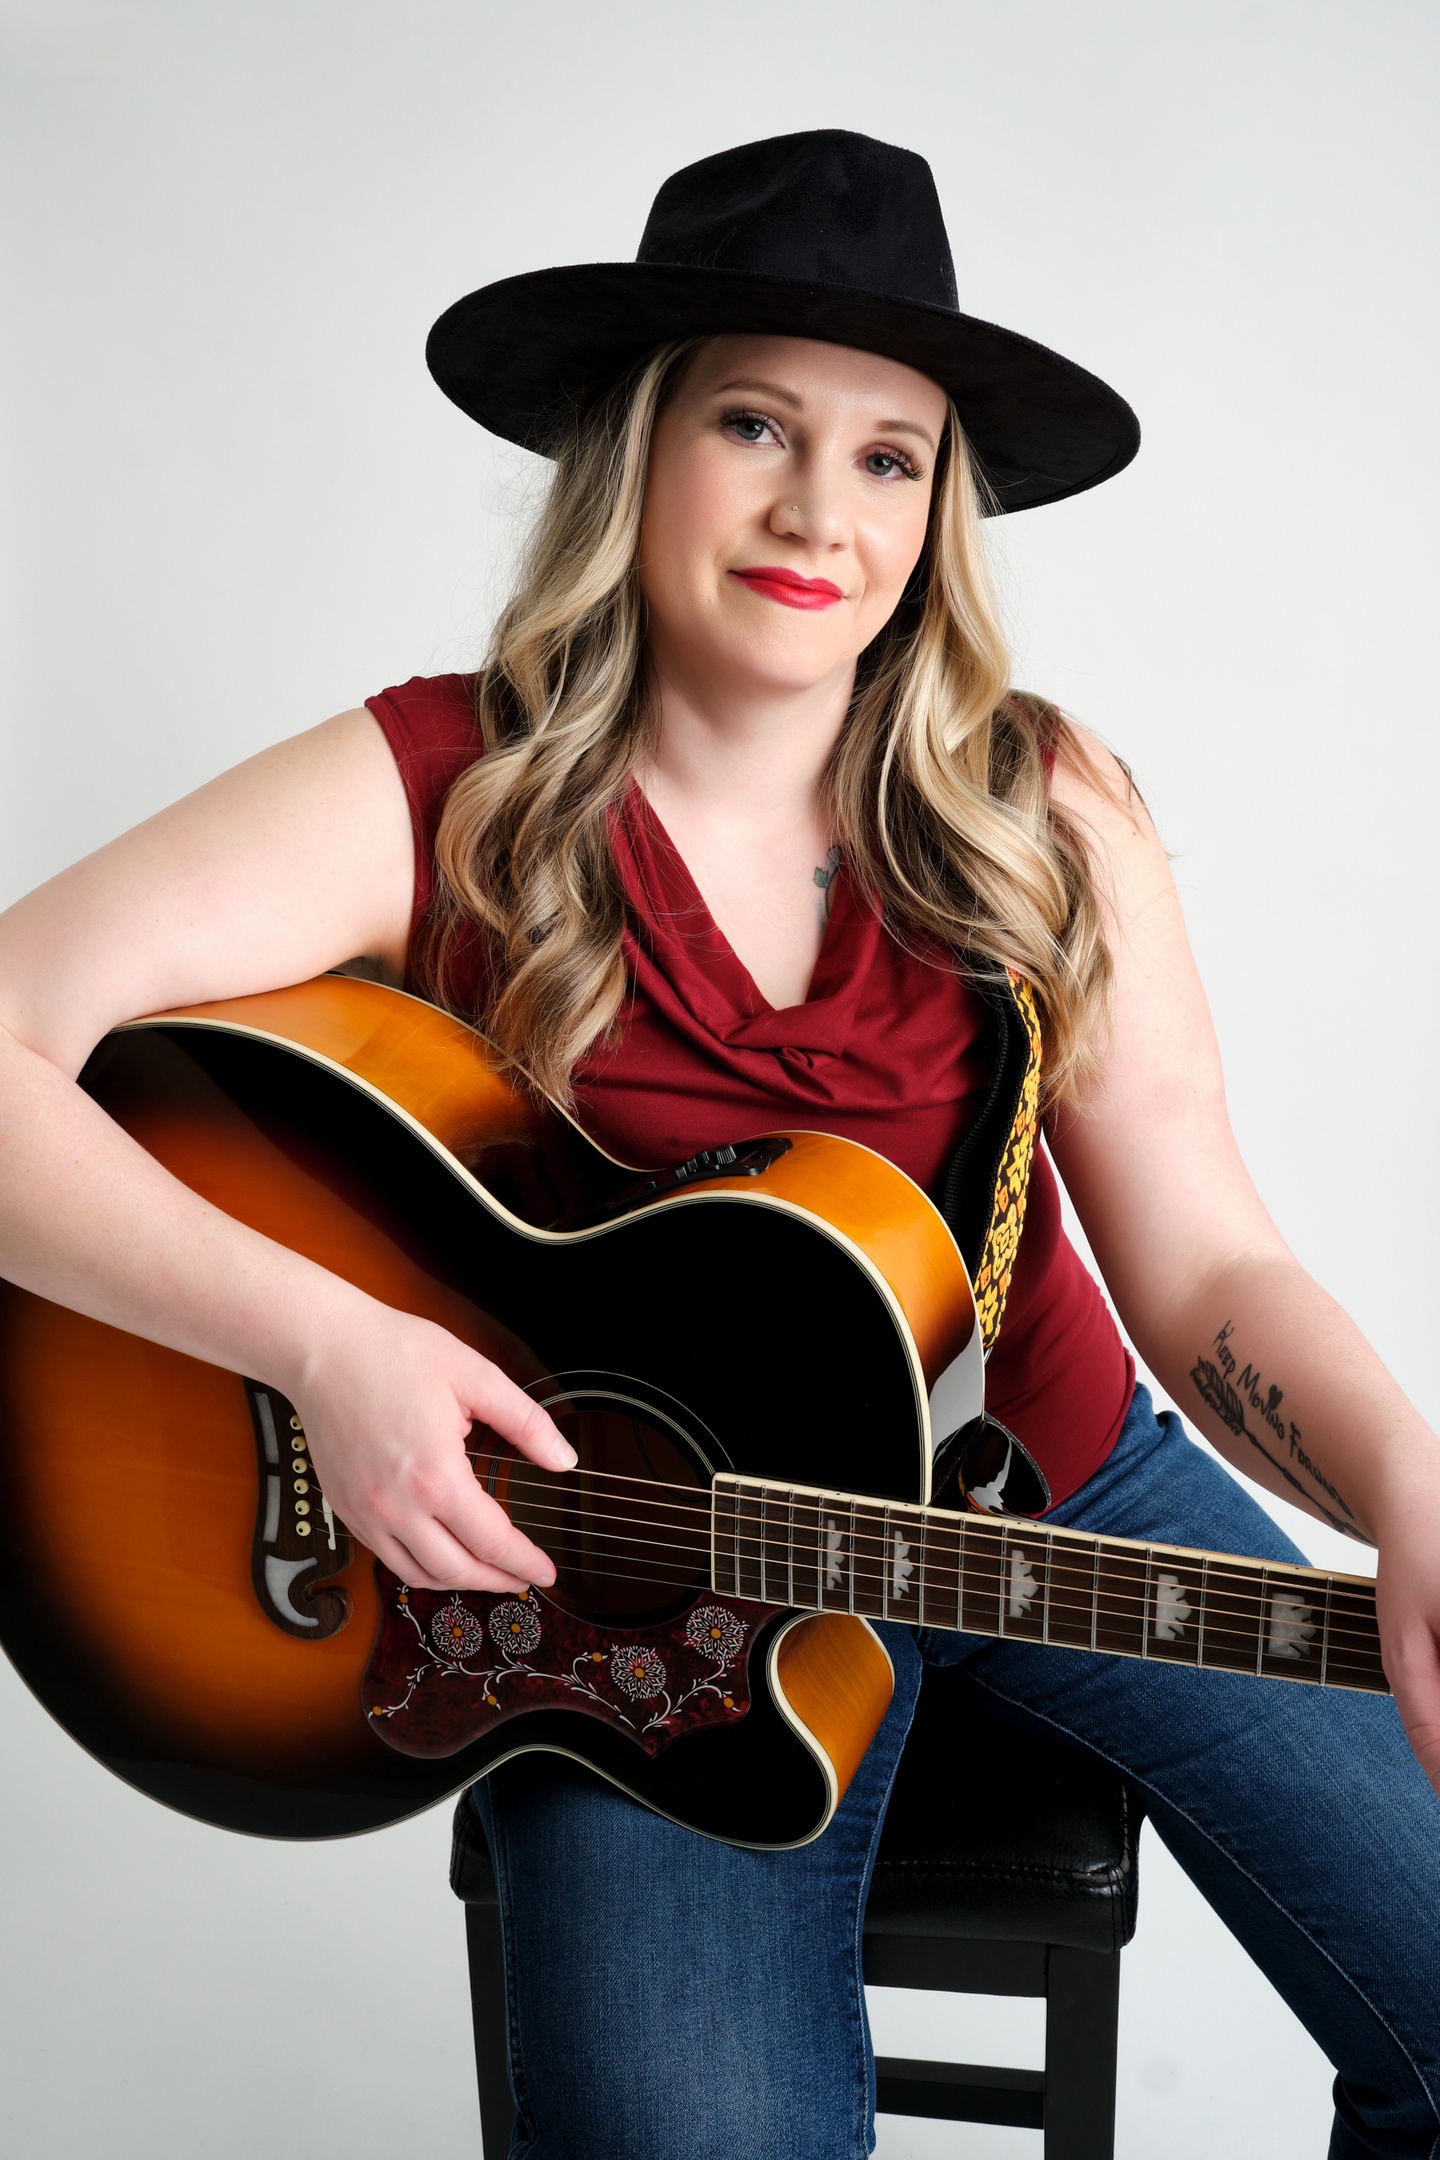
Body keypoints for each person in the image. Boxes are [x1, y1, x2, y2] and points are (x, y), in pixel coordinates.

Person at [0, 128, 1435, 2159]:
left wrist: (1406, 1484)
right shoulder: (443, 782)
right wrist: (326, 1348)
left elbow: (1206, 1263)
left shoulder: (1041, 805)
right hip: (630, 1575)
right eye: (755, 424)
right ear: (638, 447)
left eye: (889, 458)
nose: (818, 512)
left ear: (936, 515)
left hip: (1049, 1485)